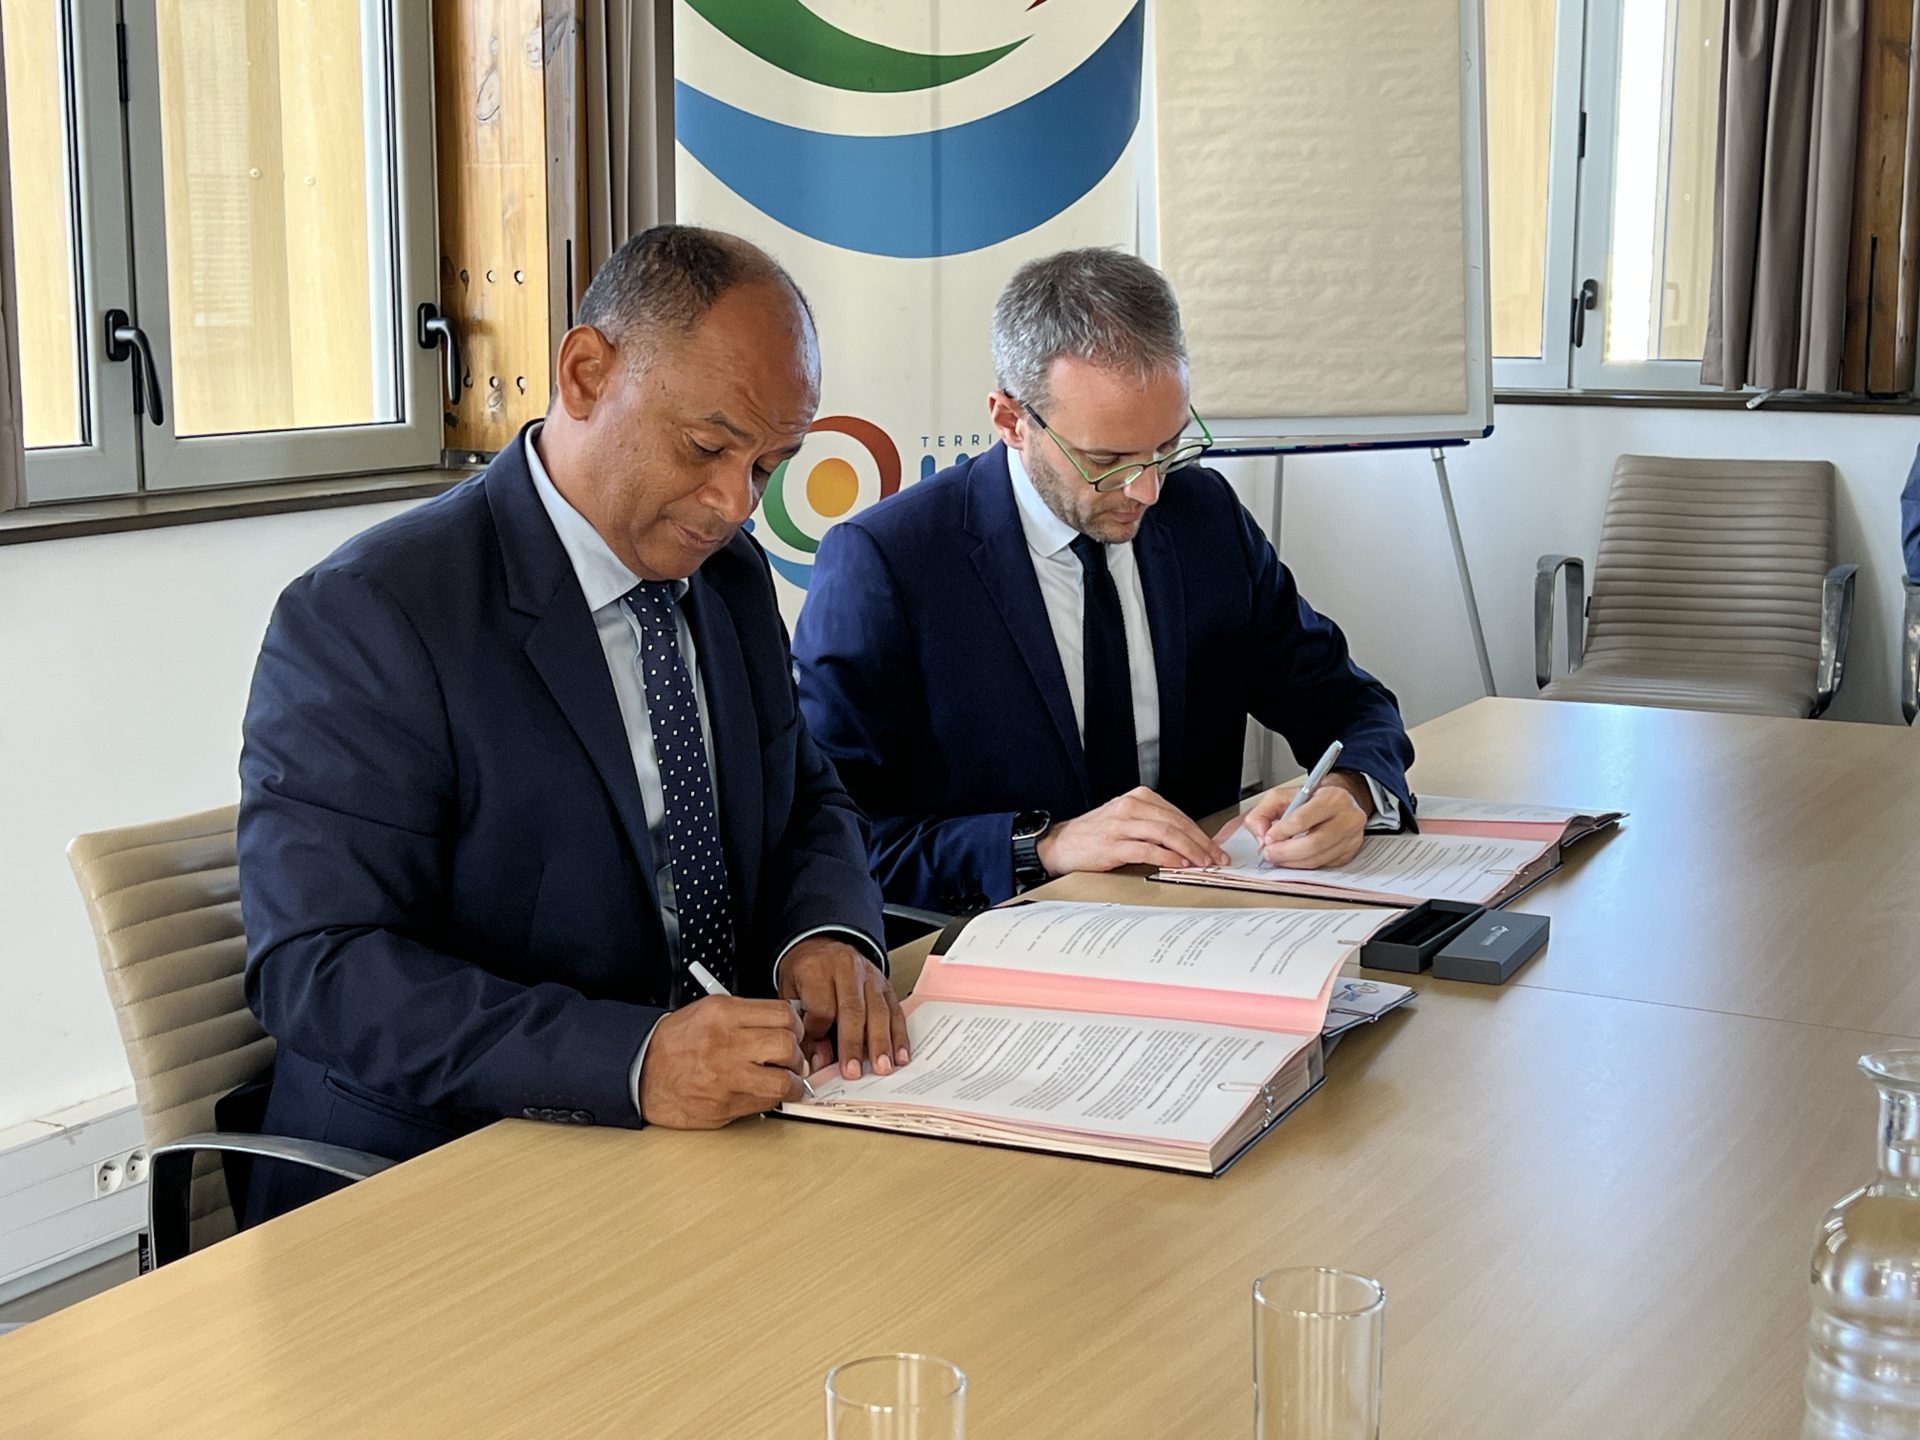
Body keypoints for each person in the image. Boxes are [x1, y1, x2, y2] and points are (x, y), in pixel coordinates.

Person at [236, 225, 904, 1223]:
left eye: (768, 465)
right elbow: (320, 969)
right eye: (707, 447)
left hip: (710, 1145)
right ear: (586, 373)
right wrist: (633, 1060)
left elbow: (804, 794)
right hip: (446, 1172)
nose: (735, 503)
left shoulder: (726, 577)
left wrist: (825, 935)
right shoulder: (374, 613)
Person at [793, 247, 1414, 913]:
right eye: (1107, 459)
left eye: (1166, 447)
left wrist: (1352, 790)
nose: (1147, 490)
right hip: (1004, 937)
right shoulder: (889, 563)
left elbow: (1349, 705)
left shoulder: (1203, 516)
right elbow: (835, 839)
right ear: (1010, 421)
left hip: (1202, 922)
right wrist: (1042, 845)